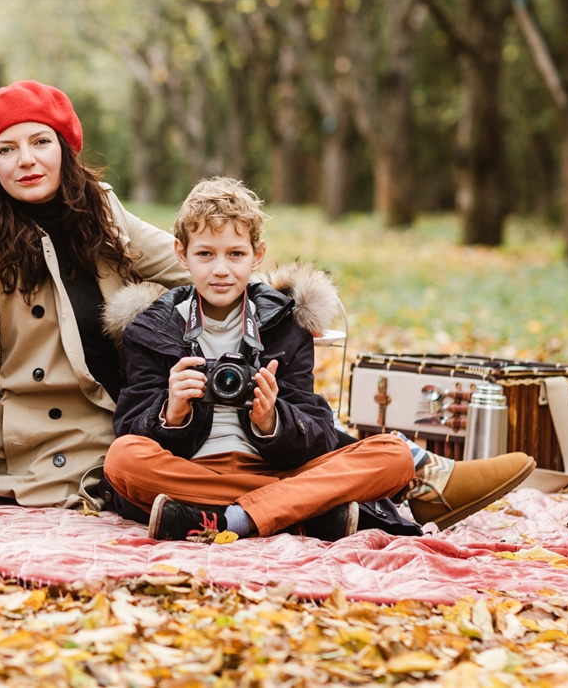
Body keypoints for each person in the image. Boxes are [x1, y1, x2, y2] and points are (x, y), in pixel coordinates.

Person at [103, 178, 536, 540]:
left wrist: (273, 421)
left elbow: (318, 435)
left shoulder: (283, 324)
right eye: (205, 254)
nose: (221, 270)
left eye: (235, 255)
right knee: (122, 457)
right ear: (182, 254)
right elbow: (130, 427)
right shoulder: (153, 329)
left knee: (393, 455)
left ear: (257, 255)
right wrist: (171, 413)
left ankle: (226, 520)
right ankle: (305, 512)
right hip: (192, 471)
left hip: (270, 473)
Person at [0, 80, 191, 508]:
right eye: (6, 149)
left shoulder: (102, 209)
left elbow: (192, 266)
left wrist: (271, 304)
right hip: (45, 436)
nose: (26, 161)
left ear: (64, 147)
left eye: (41, 141)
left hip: (130, 412)